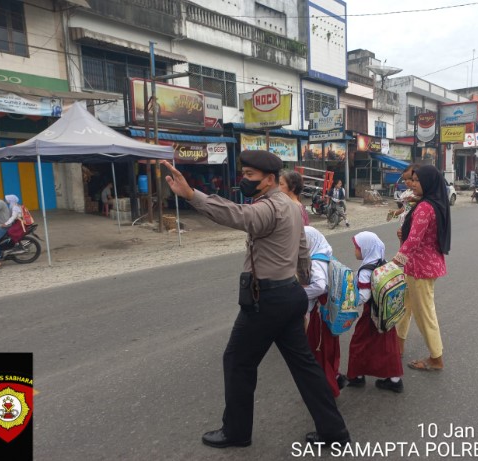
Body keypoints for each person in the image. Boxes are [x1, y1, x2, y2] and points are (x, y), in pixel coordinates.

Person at [160, 152, 350, 449]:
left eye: (250, 175)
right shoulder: (290, 206)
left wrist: (191, 195)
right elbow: (302, 251)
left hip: (269, 299)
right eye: (244, 173)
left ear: (270, 179)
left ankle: (236, 432)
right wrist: (301, 292)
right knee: (305, 367)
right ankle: (334, 431)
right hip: (289, 294)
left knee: (237, 361)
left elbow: (238, 215)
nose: (244, 180)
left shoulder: (269, 207)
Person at [394, 165, 451, 371]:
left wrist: (394, 263)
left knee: (424, 313)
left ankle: (436, 358)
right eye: (413, 180)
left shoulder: (425, 207)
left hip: (420, 268)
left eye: (417, 181)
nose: (413, 184)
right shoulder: (433, 202)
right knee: (404, 307)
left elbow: (414, 240)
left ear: (427, 183)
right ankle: (398, 345)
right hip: (421, 265)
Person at [347, 231, 404, 393]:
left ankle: (356, 376)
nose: (355, 251)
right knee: (388, 344)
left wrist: (349, 301)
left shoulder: (366, 270)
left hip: (371, 314)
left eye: (357, 247)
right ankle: (394, 379)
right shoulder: (383, 262)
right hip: (386, 313)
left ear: (366, 248)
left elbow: (364, 296)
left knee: (359, 341)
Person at [303, 226, 346, 398]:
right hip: (329, 314)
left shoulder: (315, 261)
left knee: (318, 350)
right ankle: (335, 377)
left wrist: (297, 293)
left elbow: (320, 286)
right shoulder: (326, 254)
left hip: (320, 315)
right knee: (329, 349)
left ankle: (326, 390)